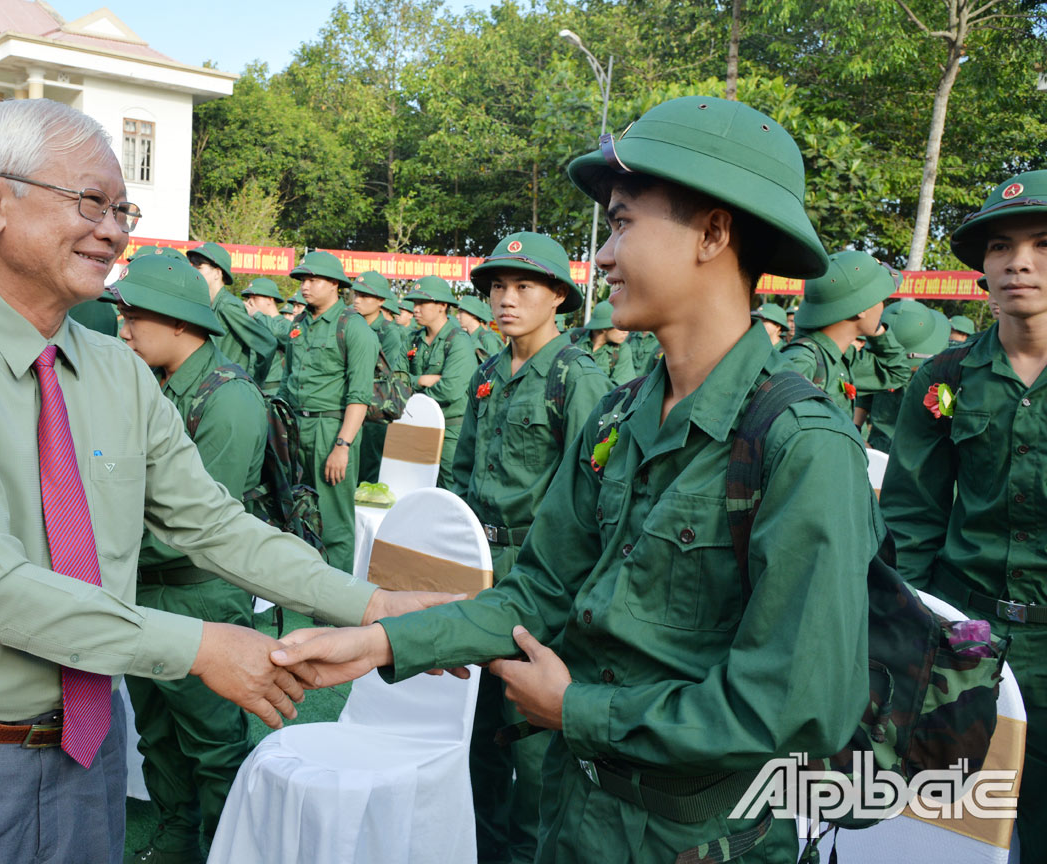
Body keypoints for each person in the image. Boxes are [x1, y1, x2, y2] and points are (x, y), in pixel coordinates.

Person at [0, 99, 445, 864]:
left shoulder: (116, 370)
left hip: (89, 756)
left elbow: (212, 524)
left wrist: (371, 602)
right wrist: (201, 647)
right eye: (89, 201)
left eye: (123, 207)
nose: (115, 230)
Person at [273, 95, 878, 864]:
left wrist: (578, 710)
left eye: (624, 222)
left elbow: (800, 708)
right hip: (576, 812)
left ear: (715, 233)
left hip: (699, 839)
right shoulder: (619, 419)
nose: (606, 255)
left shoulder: (803, 447)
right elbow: (537, 596)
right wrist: (381, 641)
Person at [880, 168, 1047, 861]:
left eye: (1042, 244)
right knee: (955, 832)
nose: (1020, 262)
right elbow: (912, 519)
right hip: (971, 645)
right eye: (1001, 246)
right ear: (982, 266)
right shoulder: (943, 379)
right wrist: (916, 636)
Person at [452, 232, 610, 864]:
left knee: (533, 742)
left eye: (523, 286)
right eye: (496, 286)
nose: (505, 299)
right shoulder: (489, 374)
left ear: (558, 299)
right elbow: (462, 473)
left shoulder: (578, 378)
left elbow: (598, 498)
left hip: (541, 574)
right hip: (482, 566)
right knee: (480, 731)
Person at [109, 256, 266, 864]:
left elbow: (202, 528)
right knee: (156, 732)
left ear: (177, 321)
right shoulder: (148, 383)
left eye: (135, 316)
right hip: (145, 588)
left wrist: (107, 549)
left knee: (212, 741)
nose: (123, 329)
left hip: (198, 590)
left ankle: (230, 846)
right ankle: (177, 835)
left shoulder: (228, 399)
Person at [281, 250, 378, 572]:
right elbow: (288, 379)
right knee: (298, 509)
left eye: (313, 279)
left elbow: (359, 395)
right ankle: (304, 585)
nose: (305, 287)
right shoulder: (299, 323)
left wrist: (343, 446)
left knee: (335, 520)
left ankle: (338, 604)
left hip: (331, 430)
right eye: (303, 280)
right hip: (297, 427)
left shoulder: (353, 327)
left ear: (335, 284)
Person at [779, 250, 911, 416]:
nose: (883, 308)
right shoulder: (803, 362)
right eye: (880, 300)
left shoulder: (843, 356)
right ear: (862, 308)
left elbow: (897, 373)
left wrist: (879, 331)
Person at [403, 275, 475, 484]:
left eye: (422, 303)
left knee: (450, 488)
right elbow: (395, 379)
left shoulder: (458, 341)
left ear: (442, 305)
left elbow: (450, 389)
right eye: (415, 303)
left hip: (450, 430)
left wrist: (412, 391)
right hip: (417, 425)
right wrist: (421, 380)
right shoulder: (412, 338)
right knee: (415, 486)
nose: (415, 309)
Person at [856, 300, 949, 453]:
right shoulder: (880, 371)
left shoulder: (942, 374)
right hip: (881, 449)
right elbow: (865, 398)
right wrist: (856, 431)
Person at [188, 241, 276, 384]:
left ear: (217, 273)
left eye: (199, 267)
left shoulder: (227, 305)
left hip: (227, 386)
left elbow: (267, 344)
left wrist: (254, 381)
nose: (193, 271)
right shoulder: (209, 305)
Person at [351, 269, 405, 483]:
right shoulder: (350, 325)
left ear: (381, 300)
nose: (357, 300)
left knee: (369, 472)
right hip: (350, 405)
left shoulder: (388, 332)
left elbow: (384, 373)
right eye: (356, 294)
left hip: (374, 410)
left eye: (365, 296)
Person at [241, 278, 288, 395]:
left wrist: (257, 314)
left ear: (269, 299)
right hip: (252, 388)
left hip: (274, 389)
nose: (250, 302)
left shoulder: (285, 324)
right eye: (248, 298)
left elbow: (280, 334)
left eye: (254, 297)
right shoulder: (254, 324)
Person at [576, 300, 636, 385]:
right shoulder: (574, 339)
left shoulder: (621, 350)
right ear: (604, 328)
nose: (626, 331)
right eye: (621, 326)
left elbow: (620, 389)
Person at [457, 294, 505, 362]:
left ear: (473, 314)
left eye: (461, 312)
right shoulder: (467, 337)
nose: (457, 316)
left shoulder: (487, 339)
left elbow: (496, 367)